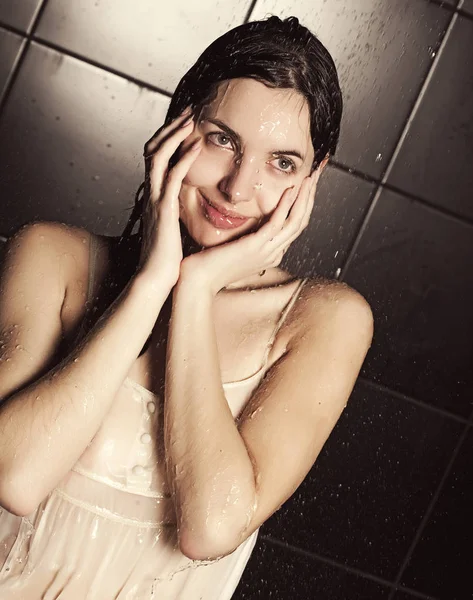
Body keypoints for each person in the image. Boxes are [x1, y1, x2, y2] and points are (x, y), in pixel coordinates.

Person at [0, 15, 373, 600]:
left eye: (282, 162)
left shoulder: (322, 320)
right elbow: (15, 477)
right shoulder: (51, 256)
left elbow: (211, 526)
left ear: (314, 177)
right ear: (178, 125)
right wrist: (153, 284)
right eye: (223, 138)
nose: (238, 186)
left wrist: (195, 290)